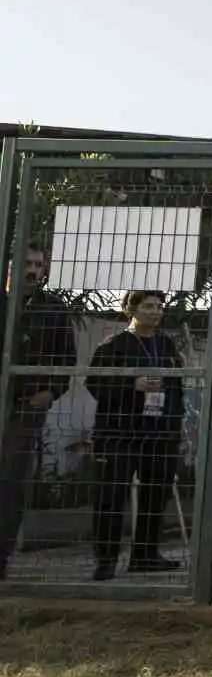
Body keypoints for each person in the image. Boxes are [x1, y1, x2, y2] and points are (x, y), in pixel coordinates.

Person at [86, 290, 184, 579]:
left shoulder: (166, 345)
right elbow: (95, 385)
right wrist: (132, 385)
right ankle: (106, 559)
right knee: (111, 495)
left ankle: (146, 554)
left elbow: (178, 386)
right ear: (131, 309)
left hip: (159, 432)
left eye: (159, 307)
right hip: (119, 432)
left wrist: (174, 425)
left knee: (156, 494)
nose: (155, 312)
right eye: (148, 306)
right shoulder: (113, 346)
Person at [0, 244, 76, 580]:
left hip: (25, 406)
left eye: (38, 265)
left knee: (11, 483)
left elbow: (66, 360)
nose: (32, 270)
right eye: (26, 263)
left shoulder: (53, 309)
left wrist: (51, 391)